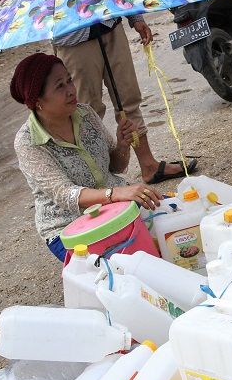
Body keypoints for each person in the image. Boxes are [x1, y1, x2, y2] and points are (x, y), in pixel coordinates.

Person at [9, 0, 194, 183]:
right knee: (82, 109)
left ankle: (148, 165)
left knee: (128, 98)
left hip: (108, 23)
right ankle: (95, 181)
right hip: (72, 36)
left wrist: (135, 17)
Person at [12, 53, 163, 261]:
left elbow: (116, 166)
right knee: (122, 272)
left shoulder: (86, 114)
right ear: (37, 101)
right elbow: (65, 194)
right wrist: (117, 193)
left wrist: (122, 144)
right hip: (70, 227)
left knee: (170, 234)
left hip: (115, 208)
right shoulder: (28, 142)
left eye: (69, 80)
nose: (71, 91)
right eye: (59, 86)